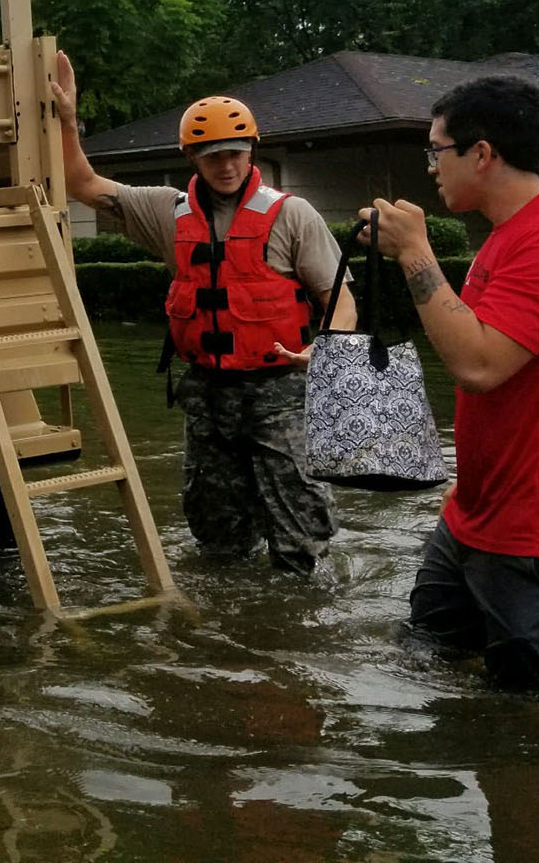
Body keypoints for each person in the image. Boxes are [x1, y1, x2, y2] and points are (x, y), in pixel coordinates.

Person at [50, 54, 353, 574]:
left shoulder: (292, 215)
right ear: (193, 157)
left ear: (252, 150)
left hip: (281, 392)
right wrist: (66, 119)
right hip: (208, 396)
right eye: (213, 156)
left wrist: (325, 351)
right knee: (215, 535)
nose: (227, 166)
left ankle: (301, 625)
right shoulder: (167, 212)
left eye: (235, 153)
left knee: (300, 533)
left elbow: (341, 297)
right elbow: (82, 184)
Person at [365, 75, 539, 689]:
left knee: (538, 717)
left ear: (482, 153)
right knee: (427, 664)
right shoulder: (509, 235)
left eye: (436, 150)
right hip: (476, 516)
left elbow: (480, 366)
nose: (431, 167)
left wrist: (415, 254)